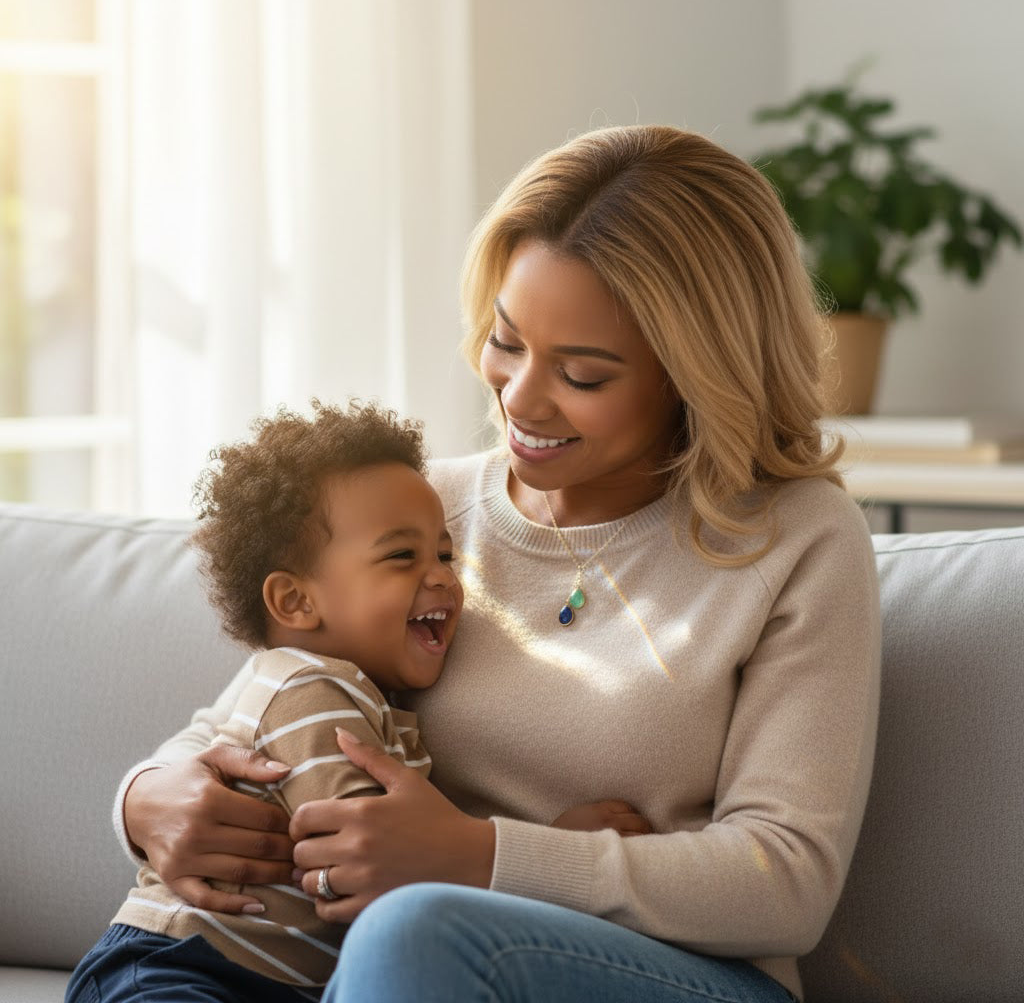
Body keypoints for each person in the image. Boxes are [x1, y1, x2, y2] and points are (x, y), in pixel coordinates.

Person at [111, 126, 881, 1003]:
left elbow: (788, 883)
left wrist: (480, 857)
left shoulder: (797, 539)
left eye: (582, 375)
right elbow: (275, 698)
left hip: (689, 976)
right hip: (413, 965)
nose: (519, 397)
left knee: (412, 931)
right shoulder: (418, 514)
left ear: (695, 375)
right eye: (507, 341)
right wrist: (146, 797)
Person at [68, 399, 650, 1003]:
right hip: (179, 967)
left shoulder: (358, 698)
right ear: (295, 602)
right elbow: (380, 871)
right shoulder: (311, 691)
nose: (443, 577)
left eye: (445, 555)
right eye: (402, 557)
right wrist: (552, 844)